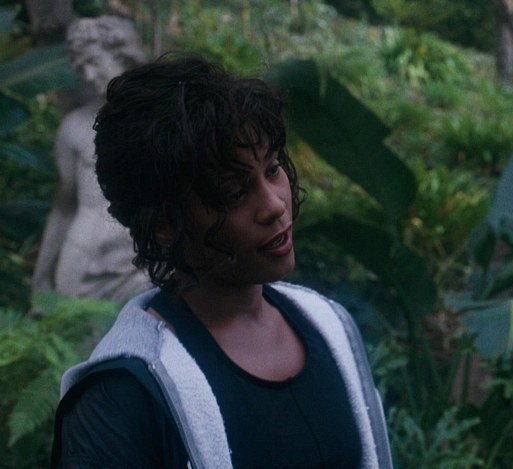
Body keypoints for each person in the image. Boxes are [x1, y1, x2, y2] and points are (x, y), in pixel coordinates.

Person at [50, 53, 393, 468]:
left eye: (272, 169)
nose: (274, 205)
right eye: (234, 193)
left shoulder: (332, 329)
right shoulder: (122, 397)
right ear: (164, 224)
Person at [32, 15, 150, 302]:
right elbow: (64, 207)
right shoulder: (74, 128)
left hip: (141, 263)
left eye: (94, 62)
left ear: (123, 56)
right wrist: (41, 276)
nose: (88, 74)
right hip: (81, 259)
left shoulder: (163, 123)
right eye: (82, 67)